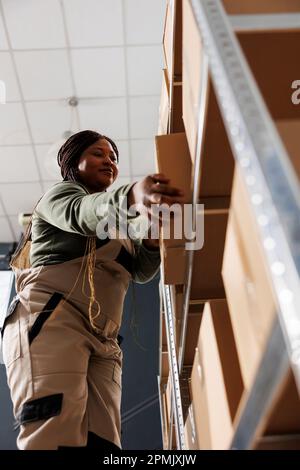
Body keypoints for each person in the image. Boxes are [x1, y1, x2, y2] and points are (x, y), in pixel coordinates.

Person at [1, 130, 183, 450]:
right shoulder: (61, 197)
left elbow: (140, 269)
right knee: (53, 431)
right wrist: (132, 196)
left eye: (113, 157)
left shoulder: (118, 220)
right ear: (74, 161)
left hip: (104, 341)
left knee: (104, 443)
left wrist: (154, 233)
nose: (109, 161)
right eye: (99, 153)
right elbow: (84, 213)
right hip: (53, 319)